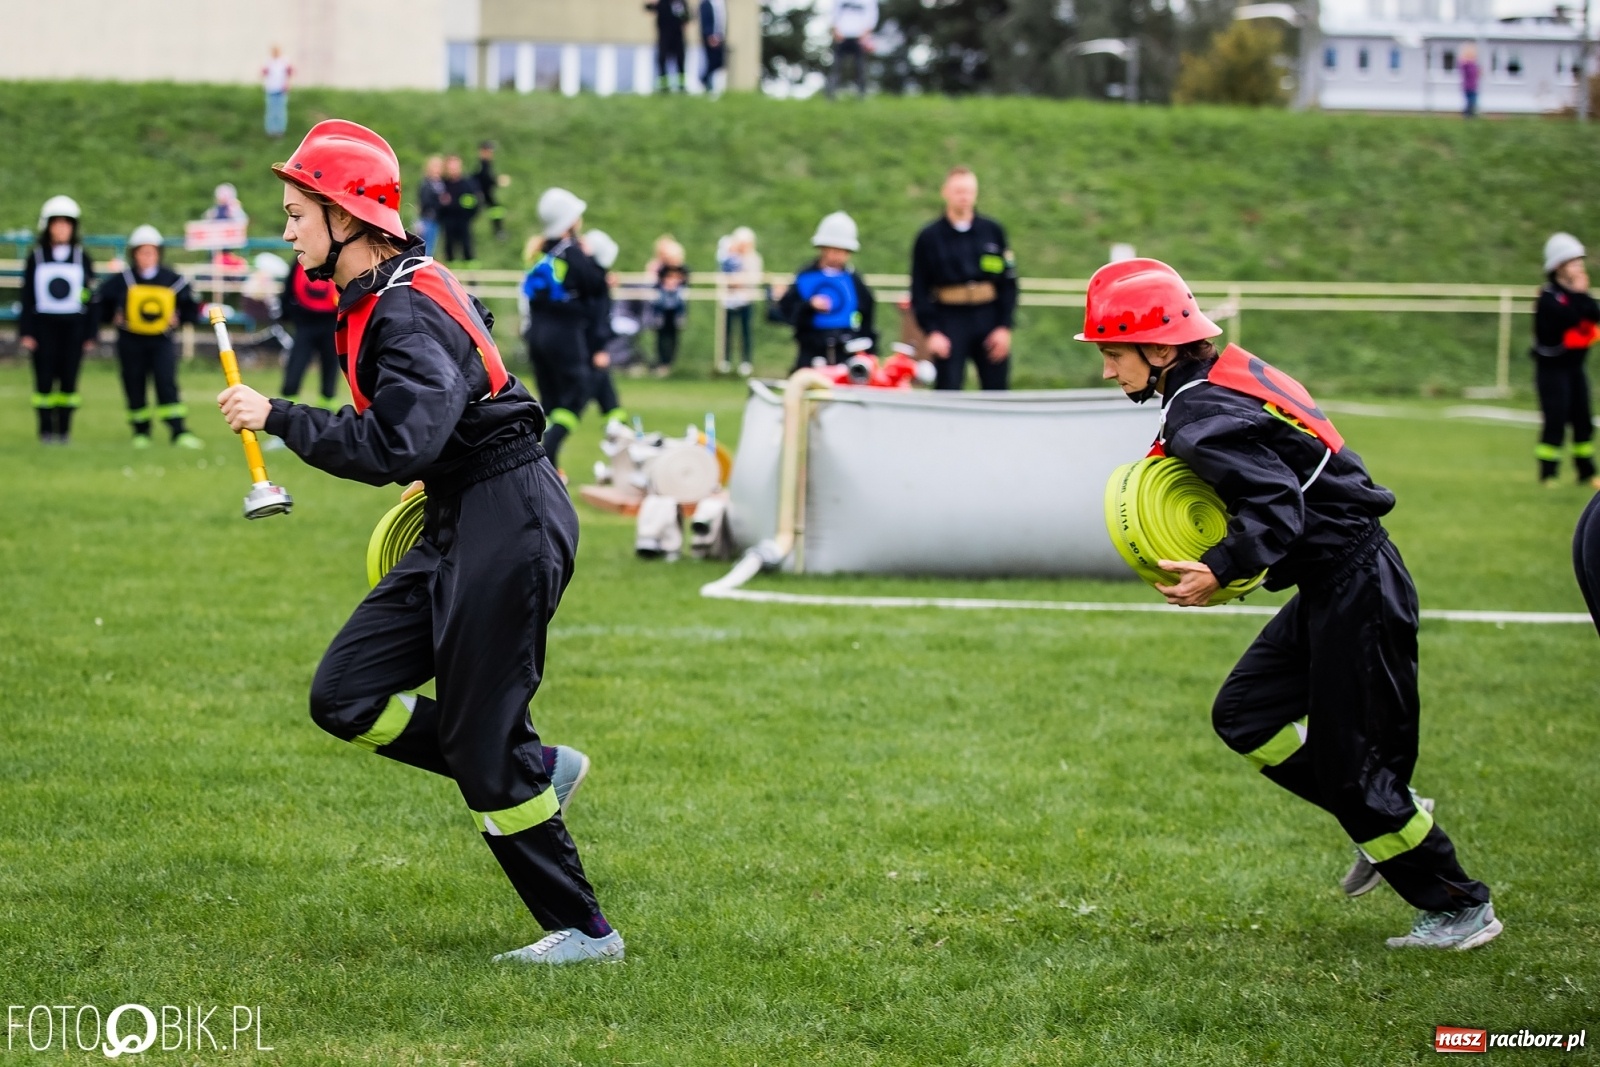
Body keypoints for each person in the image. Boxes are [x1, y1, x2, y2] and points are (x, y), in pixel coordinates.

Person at [216, 119, 621, 966]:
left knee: (481, 742)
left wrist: (279, 417)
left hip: (507, 523)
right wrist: (430, 464)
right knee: (345, 693)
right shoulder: (392, 285)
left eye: (297, 213)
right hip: (463, 513)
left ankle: (587, 933)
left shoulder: (399, 309)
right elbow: (440, 421)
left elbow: (398, 440)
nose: (287, 231)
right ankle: (536, 763)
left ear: (347, 215)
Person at [1080, 257, 1500, 951]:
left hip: (1356, 581)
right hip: (1336, 578)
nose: (1106, 371)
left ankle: (1460, 904)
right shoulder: (1217, 380)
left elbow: (1277, 503)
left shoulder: (1196, 410)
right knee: (1246, 715)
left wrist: (1219, 567)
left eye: (1111, 353)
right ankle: (1389, 814)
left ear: (1158, 348)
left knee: (1351, 766)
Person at [522, 187, 609, 474]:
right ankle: (550, 450)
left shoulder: (539, 251)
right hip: (564, 336)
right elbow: (596, 286)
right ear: (571, 221)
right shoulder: (571, 251)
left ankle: (550, 469)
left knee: (551, 400)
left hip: (537, 335)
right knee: (579, 390)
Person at [94, 225, 204, 449]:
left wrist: (179, 318)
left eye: (151, 252)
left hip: (161, 341)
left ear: (158, 253)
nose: (146, 257)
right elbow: (99, 303)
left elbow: (192, 308)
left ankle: (178, 430)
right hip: (130, 341)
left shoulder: (173, 280)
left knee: (166, 383)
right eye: (142, 252)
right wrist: (112, 316)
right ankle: (140, 431)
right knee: (134, 384)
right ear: (133, 254)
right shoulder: (122, 280)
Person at [910, 166, 1016, 391]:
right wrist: (932, 331)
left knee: (997, 389)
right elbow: (919, 288)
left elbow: (1008, 282)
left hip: (988, 316)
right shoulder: (929, 238)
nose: (964, 197)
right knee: (948, 387)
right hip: (950, 318)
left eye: (968, 191)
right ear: (945, 192)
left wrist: (1004, 327)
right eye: (958, 191)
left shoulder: (992, 232)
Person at [19, 195, 95, 444]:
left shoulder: (82, 258)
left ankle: (64, 430)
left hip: (73, 328)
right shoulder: (36, 257)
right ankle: (45, 430)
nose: (62, 229)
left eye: (67, 224)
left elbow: (90, 298)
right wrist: (26, 332)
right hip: (43, 327)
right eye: (57, 223)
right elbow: (27, 296)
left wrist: (90, 333)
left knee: (69, 381)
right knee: (43, 379)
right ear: (47, 226)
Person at [1533, 233, 1599, 489]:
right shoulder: (1549, 297)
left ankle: (1586, 472)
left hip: (1575, 368)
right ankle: (1548, 474)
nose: (1579, 267)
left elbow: (1593, 316)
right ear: (1558, 265)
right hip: (1552, 370)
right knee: (1556, 419)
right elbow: (1570, 319)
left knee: (1583, 419)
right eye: (1573, 262)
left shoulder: (1578, 295)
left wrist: (1582, 295)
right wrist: (1579, 298)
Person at [777, 212, 876, 372]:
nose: (836, 256)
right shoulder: (806, 276)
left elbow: (866, 318)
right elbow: (788, 311)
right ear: (822, 249)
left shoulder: (854, 281)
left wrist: (869, 352)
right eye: (832, 250)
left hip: (846, 352)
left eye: (842, 251)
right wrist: (809, 306)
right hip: (811, 350)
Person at [279, 257, 341, 411]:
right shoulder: (299, 261)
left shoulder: (338, 259)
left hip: (331, 322)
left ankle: (327, 404)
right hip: (305, 323)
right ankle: (287, 407)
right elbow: (289, 287)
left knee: (330, 364)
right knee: (296, 363)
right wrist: (287, 313)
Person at [580, 229, 628, 424]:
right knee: (574, 404)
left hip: (583, 347)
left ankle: (621, 437)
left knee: (610, 403)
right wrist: (599, 348)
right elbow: (598, 318)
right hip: (591, 351)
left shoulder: (586, 279)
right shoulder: (597, 283)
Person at [719, 227, 763, 376]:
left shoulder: (754, 258)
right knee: (727, 332)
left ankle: (746, 361)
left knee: (745, 332)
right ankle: (725, 360)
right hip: (730, 300)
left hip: (746, 299)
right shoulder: (730, 257)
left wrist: (741, 282)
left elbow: (755, 279)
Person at [645, 237, 689, 375]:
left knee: (673, 336)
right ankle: (661, 361)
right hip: (662, 308)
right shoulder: (661, 269)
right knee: (661, 336)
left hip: (675, 308)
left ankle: (670, 363)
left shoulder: (683, 269)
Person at [828, 0, 877, 99]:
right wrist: (835, 30)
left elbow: (872, 15)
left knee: (861, 68)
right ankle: (831, 95)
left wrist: (866, 33)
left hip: (859, 37)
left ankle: (862, 95)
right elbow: (833, 13)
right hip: (842, 37)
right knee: (836, 67)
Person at [439, 155, 482, 265]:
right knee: (449, 250)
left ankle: (472, 279)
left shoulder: (468, 184)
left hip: (464, 221)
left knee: (467, 249)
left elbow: (475, 202)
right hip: (449, 222)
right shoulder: (443, 184)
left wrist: (468, 215)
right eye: (451, 167)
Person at [646, 0, 690, 92]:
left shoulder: (680, 2)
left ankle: (681, 86)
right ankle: (664, 86)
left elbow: (687, 17)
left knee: (680, 60)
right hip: (664, 36)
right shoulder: (662, 2)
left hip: (678, 36)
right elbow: (648, 8)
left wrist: (684, 18)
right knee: (662, 59)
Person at [475, 141, 506, 241]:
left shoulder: (486, 163)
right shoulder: (482, 164)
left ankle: (499, 231)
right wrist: (497, 181)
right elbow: (484, 179)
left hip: (485, 194)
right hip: (480, 194)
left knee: (496, 210)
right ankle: (499, 232)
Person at [416, 155, 446, 257]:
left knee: (432, 244)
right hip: (428, 217)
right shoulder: (427, 183)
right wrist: (440, 201)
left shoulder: (440, 183)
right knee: (426, 244)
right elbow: (424, 201)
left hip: (437, 217)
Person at [262, 45, 293, 137]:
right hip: (271, 89)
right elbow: (264, 72)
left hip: (280, 89)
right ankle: (271, 130)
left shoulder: (284, 61)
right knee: (271, 111)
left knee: (280, 111)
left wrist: (288, 84)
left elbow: (289, 73)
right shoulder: (269, 62)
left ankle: (280, 130)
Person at [699, 0, 727, 96]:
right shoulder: (706, 3)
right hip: (711, 38)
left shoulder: (720, 3)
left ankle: (707, 81)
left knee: (719, 62)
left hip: (719, 38)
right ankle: (705, 81)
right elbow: (705, 21)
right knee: (712, 61)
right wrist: (709, 36)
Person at [1460, 44, 1480, 119]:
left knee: (1473, 101)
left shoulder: (1474, 65)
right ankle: (1468, 114)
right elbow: (1464, 68)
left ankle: (1471, 113)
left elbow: (1476, 74)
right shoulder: (1466, 65)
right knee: (1470, 101)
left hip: (1473, 86)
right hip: (1468, 86)